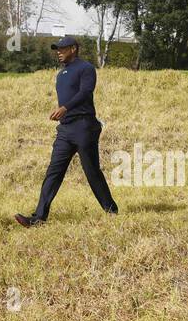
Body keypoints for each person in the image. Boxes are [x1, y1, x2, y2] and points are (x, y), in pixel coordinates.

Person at [15, 36, 118, 227]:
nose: (58, 52)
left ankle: (111, 210)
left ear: (74, 49)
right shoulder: (61, 74)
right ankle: (38, 218)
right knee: (53, 171)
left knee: (92, 172)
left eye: (62, 49)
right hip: (65, 129)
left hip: (84, 127)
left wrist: (65, 108)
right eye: (57, 49)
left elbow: (85, 92)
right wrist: (62, 113)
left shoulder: (86, 68)